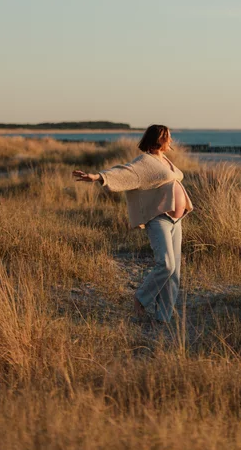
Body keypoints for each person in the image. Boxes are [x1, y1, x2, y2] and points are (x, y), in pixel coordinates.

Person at [72, 124, 193, 324]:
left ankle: (164, 317)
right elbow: (124, 172)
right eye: (168, 136)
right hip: (159, 219)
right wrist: (98, 177)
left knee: (174, 272)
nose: (171, 140)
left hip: (176, 220)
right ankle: (141, 298)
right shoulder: (145, 161)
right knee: (166, 264)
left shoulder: (166, 160)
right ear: (159, 138)